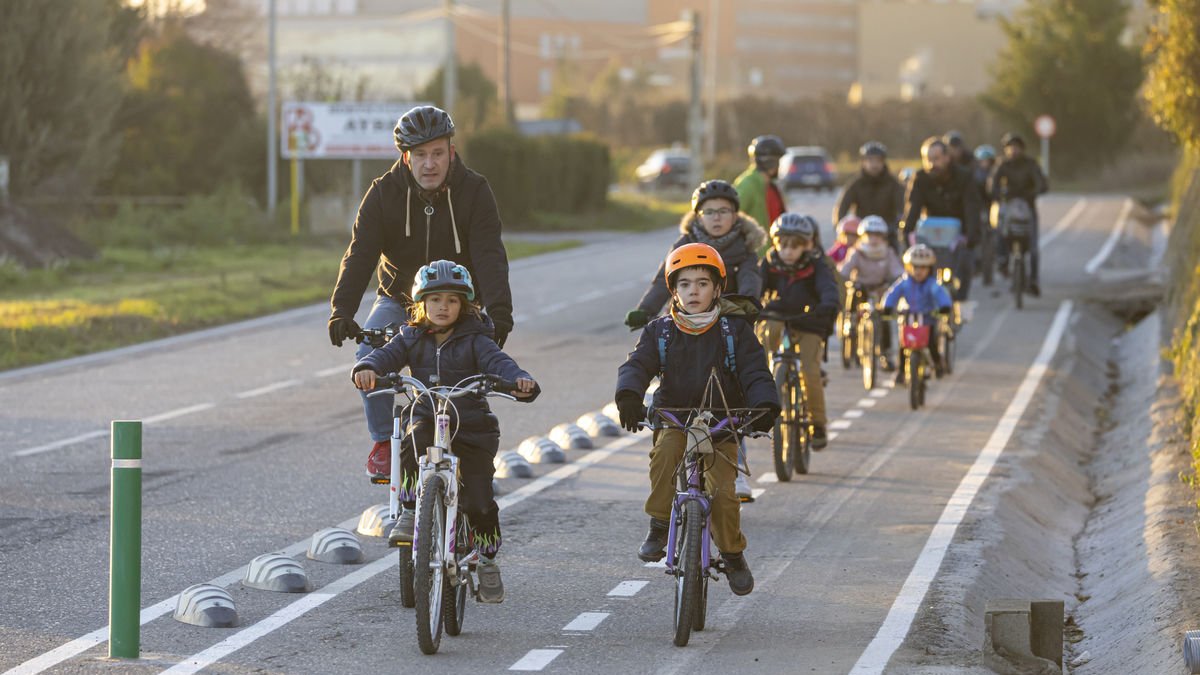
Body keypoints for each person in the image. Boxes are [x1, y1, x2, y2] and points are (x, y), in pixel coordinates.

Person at [328, 105, 515, 482]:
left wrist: (499, 312)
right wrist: (342, 310)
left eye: (438, 153)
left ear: (451, 151)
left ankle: (470, 455)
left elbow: (490, 255)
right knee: (369, 354)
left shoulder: (475, 191)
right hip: (400, 299)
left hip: (460, 303)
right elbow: (361, 253)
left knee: (468, 374)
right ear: (405, 156)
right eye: (421, 155)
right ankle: (383, 441)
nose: (430, 164)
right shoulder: (383, 194)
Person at [351, 260, 539, 604]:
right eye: (435, 299)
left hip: (471, 426)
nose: (443, 307)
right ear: (420, 304)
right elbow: (386, 356)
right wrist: (368, 367)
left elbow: (501, 364)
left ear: (464, 305)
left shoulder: (477, 339)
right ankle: (410, 510)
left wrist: (518, 381)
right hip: (427, 411)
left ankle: (487, 560)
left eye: (452, 300)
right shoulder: (410, 336)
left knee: (480, 502)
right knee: (412, 435)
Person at [615, 243, 780, 597]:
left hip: (723, 422)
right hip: (674, 417)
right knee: (664, 455)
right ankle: (659, 524)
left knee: (722, 492)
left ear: (718, 288)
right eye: (685, 284)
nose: (694, 291)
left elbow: (755, 372)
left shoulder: (733, 331)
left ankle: (733, 555)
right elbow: (637, 365)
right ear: (673, 291)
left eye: (703, 283)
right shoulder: (659, 331)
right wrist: (628, 395)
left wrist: (765, 405)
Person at [757, 214, 838, 449]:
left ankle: (817, 424)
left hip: (809, 319)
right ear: (775, 243)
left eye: (795, 246)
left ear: (807, 245)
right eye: (783, 245)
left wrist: (828, 304)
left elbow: (828, 289)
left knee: (810, 372)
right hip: (777, 315)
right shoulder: (768, 264)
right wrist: (750, 306)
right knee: (765, 331)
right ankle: (762, 378)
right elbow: (755, 290)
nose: (788, 251)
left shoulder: (817, 266)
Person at [901, 137, 981, 302]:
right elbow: (913, 207)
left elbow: (972, 208)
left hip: (959, 233)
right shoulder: (920, 178)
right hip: (932, 232)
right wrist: (907, 232)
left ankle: (961, 302)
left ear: (947, 157)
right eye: (927, 160)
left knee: (965, 264)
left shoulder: (964, 177)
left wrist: (972, 236)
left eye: (936, 159)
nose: (932, 164)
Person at [881, 245, 953, 385]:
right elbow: (892, 294)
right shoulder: (904, 283)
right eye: (915, 267)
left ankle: (937, 364)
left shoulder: (931, 284)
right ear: (908, 267)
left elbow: (940, 294)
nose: (919, 271)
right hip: (908, 317)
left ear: (930, 269)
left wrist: (945, 307)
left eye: (923, 268)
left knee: (931, 343)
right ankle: (901, 371)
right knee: (903, 344)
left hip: (927, 318)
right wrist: (887, 307)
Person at [987, 133, 1049, 296]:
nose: (1013, 151)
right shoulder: (1003, 165)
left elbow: (1042, 183)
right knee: (1000, 233)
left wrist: (1032, 192)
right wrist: (998, 195)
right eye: (1009, 147)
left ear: (1022, 149)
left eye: (1016, 147)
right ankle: (1003, 263)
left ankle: (1034, 280)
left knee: (1033, 248)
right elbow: (993, 184)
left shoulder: (1031, 164)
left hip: (1027, 208)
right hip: (1008, 207)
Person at [841, 216, 904, 371]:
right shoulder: (857, 252)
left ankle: (885, 353)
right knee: (853, 294)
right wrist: (845, 278)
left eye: (877, 235)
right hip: (861, 287)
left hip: (880, 289)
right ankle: (851, 323)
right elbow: (845, 270)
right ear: (863, 236)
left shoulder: (888, 253)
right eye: (870, 235)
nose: (873, 239)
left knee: (884, 318)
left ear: (883, 237)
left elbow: (897, 271)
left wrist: (897, 281)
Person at [834, 141, 905, 250]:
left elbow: (903, 210)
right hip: (861, 236)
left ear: (883, 162)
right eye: (870, 160)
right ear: (863, 162)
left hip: (887, 236)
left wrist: (895, 227)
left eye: (878, 161)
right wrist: (843, 229)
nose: (874, 164)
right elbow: (841, 209)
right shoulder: (855, 184)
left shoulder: (894, 184)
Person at [733, 135, 788, 232]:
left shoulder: (771, 186)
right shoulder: (747, 184)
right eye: (779, 161)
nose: (780, 166)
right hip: (757, 246)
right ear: (771, 162)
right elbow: (732, 217)